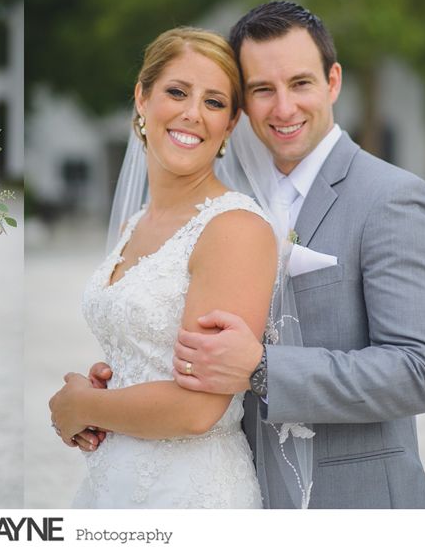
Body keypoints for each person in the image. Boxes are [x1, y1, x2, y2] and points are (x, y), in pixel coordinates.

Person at [90, 1, 425, 508]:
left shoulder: (393, 199)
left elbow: (419, 372)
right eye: (263, 89)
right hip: (233, 491)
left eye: (300, 83)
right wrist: (124, 382)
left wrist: (262, 369)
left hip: (351, 500)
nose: (283, 108)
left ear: (332, 82)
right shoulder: (230, 199)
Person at [48, 27, 280, 508]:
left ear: (230, 124)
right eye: (177, 92)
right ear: (142, 97)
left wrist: (83, 405)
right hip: (111, 483)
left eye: (214, 102)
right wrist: (105, 389)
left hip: (192, 494)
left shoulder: (234, 229)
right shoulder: (133, 224)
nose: (193, 113)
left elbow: (198, 409)